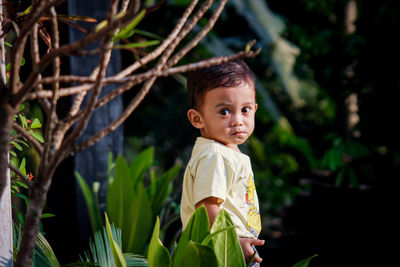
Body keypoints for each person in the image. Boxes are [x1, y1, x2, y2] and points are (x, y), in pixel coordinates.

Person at [180, 60, 264, 266]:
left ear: (254, 109)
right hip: (221, 252)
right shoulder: (215, 156)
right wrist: (232, 242)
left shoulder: (225, 152)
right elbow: (207, 206)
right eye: (225, 112)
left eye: (245, 110)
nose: (237, 120)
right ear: (197, 119)